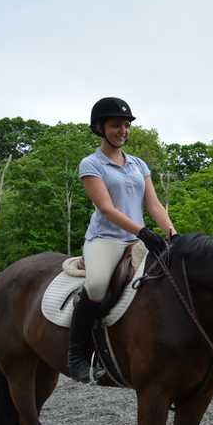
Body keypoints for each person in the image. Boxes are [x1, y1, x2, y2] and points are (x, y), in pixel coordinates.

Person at [68, 97, 177, 383]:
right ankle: (77, 355)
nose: (123, 130)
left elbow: (153, 206)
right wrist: (141, 231)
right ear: (100, 128)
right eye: (116, 125)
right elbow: (106, 207)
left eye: (126, 125)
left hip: (139, 240)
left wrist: (172, 233)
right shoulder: (91, 164)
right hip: (106, 239)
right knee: (96, 285)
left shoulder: (139, 164)